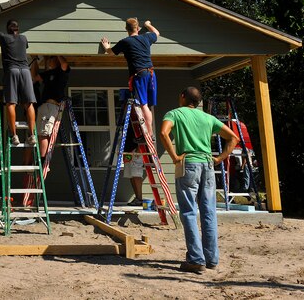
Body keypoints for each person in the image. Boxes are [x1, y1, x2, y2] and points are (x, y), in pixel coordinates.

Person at [159, 87, 239, 273]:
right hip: (208, 165)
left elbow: (164, 133)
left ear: (182, 96)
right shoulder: (207, 118)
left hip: (188, 165)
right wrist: (219, 159)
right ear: (198, 101)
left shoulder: (175, 113)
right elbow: (233, 138)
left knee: (188, 212)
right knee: (208, 212)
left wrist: (174, 157)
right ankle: (211, 259)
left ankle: (196, 259)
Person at [101, 18, 160, 204]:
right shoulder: (145, 38)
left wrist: (106, 45)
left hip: (139, 74)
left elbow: (110, 53)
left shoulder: (126, 42)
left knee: (142, 106)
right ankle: (149, 134)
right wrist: (149, 23)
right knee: (147, 106)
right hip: (151, 73)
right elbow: (157, 33)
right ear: (137, 28)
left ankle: (148, 134)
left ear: (126, 29)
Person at [0, 17, 36, 146]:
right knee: (29, 104)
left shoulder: (4, 38)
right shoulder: (23, 38)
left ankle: (14, 136)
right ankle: (32, 136)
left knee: (11, 103)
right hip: (25, 71)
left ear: (8, 29)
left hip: (12, 71)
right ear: (17, 29)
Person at [31, 56, 70, 156]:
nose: (48, 61)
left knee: (44, 134)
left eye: (51, 59)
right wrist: (34, 60)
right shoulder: (49, 73)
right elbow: (34, 78)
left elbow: (64, 64)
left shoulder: (60, 72)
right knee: (40, 135)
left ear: (56, 60)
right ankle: (41, 160)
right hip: (44, 107)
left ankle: (43, 161)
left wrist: (57, 53)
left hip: (51, 107)